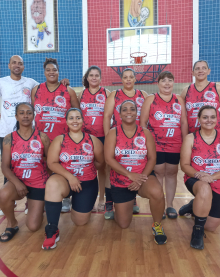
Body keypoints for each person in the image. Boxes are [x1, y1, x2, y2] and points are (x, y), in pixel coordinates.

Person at [104, 100, 167, 244]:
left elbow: (152, 158)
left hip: (142, 176)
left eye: (132, 109)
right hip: (121, 179)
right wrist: (129, 175)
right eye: (124, 109)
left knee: (157, 192)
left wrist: (140, 178)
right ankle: (124, 203)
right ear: (119, 114)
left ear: (136, 113)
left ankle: (157, 225)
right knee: (124, 224)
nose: (128, 112)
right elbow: (109, 159)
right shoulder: (113, 133)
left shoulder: (145, 133)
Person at [42, 108, 104, 250]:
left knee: (80, 222)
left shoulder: (93, 140)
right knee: (52, 183)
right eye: (71, 118)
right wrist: (70, 176)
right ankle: (52, 229)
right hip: (65, 180)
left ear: (83, 120)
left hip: (87, 183)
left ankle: (73, 201)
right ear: (66, 121)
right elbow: (51, 163)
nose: (75, 121)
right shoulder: (60, 139)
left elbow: (100, 163)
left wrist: (85, 167)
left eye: (78, 118)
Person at [179, 105, 220, 250]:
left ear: (217, 119)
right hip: (196, 179)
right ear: (199, 119)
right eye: (205, 117)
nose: (209, 120)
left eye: (212, 117)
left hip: (217, 181)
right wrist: (200, 175)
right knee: (204, 189)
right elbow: (185, 165)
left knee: (211, 227)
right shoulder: (190, 138)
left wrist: (212, 177)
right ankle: (197, 231)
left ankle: (194, 206)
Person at [0, 55, 39, 216]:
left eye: (20, 63)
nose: (17, 65)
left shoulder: (30, 82)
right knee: (9, 166)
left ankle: (29, 203)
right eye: (14, 63)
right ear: (9, 65)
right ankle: (8, 201)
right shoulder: (1, 82)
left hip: (28, 133)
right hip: (6, 132)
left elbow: (45, 89)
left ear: (24, 67)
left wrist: (64, 81)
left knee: (31, 165)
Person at [32, 58, 79, 213]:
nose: (51, 72)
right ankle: (45, 197)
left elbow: (77, 113)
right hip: (42, 138)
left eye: (54, 70)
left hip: (62, 138)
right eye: (48, 70)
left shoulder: (68, 91)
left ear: (59, 72)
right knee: (43, 167)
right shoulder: (36, 89)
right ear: (44, 72)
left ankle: (65, 198)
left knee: (63, 166)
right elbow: (34, 112)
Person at [0, 103, 50, 242]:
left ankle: (40, 207)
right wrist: (17, 183)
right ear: (16, 116)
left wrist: (50, 187)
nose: (25, 116)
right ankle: (11, 224)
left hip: (39, 182)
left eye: (29, 113)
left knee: (33, 226)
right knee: (3, 194)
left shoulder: (43, 137)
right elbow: (5, 167)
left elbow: (49, 162)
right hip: (18, 181)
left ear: (34, 116)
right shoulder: (9, 138)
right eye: (21, 113)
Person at [140, 71, 188, 219]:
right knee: (159, 173)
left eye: (170, 80)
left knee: (172, 173)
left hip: (175, 143)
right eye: (163, 80)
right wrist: (146, 143)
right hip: (156, 144)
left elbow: (184, 122)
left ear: (173, 83)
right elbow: (143, 123)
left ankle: (170, 205)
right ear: (158, 83)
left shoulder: (179, 100)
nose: (167, 83)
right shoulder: (150, 99)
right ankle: (159, 206)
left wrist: (186, 143)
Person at [103, 68, 148, 218]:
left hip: (137, 140)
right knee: (111, 170)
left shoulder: (143, 95)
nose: (128, 80)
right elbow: (107, 116)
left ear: (135, 79)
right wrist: (108, 138)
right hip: (117, 138)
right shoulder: (114, 95)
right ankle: (109, 202)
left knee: (136, 166)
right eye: (125, 77)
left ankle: (132, 199)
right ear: (121, 80)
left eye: (131, 77)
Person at [79, 66, 111, 212]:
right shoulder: (80, 94)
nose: (93, 78)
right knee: (87, 168)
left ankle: (102, 198)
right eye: (91, 75)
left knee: (103, 169)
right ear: (87, 78)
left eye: (96, 75)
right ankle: (87, 198)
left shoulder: (107, 93)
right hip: (85, 138)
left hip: (102, 136)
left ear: (100, 78)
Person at [180, 60, 220, 134]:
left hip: (214, 135)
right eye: (197, 68)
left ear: (208, 71)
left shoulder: (218, 88)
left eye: (204, 68)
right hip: (193, 135)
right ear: (193, 73)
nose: (200, 71)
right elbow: (182, 116)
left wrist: (214, 125)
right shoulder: (186, 91)